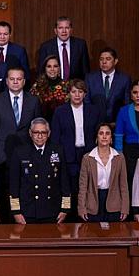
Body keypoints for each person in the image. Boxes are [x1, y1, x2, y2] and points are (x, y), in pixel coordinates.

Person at [0, 67, 41, 222]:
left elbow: (38, 129)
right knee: (6, 194)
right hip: (4, 156)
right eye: (12, 79)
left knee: (26, 191)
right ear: (6, 81)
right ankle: (6, 226)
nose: (15, 82)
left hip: (27, 155)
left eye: (19, 79)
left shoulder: (33, 100)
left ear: (24, 81)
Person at [9, 118, 71, 224]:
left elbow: (64, 181)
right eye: (36, 132)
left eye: (43, 132)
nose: (40, 136)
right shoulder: (20, 152)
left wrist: (65, 209)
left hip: (53, 211)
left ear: (49, 133)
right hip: (27, 211)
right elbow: (14, 185)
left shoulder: (57, 150)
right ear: (30, 133)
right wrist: (16, 212)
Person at [51, 79, 101, 208]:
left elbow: (99, 134)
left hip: (89, 155)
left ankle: (86, 215)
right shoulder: (60, 111)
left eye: (80, 91)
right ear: (69, 93)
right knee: (70, 190)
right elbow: (55, 138)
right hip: (68, 157)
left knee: (88, 188)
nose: (77, 95)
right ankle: (70, 216)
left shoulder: (94, 111)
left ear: (85, 94)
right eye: (74, 92)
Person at [78, 123, 129, 222]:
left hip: (114, 203)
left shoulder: (119, 157)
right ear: (96, 137)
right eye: (101, 133)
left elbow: (123, 185)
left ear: (111, 138)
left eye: (107, 133)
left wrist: (125, 208)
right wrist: (81, 208)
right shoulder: (87, 158)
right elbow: (83, 186)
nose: (104, 136)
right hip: (93, 203)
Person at [36, 16, 90, 81]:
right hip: (52, 85)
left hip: (75, 86)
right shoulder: (46, 47)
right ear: (55, 31)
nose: (64, 31)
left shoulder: (80, 45)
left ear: (71, 30)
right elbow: (41, 73)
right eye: (60, 28)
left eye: (67, 28)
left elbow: (86, 71)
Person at [84, 47, 131, 123]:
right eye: (101, 59)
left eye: (108, 59)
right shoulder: (90, 78)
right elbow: (87, 102)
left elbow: (127, 103)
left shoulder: (124, 79)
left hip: (117, 122)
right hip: (95, 123)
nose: (104, 62)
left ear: (115, 61)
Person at [30, 55, 69, 122]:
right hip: (42, 124)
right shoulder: (37, 87)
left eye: (55, 66)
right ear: (45, 69)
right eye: (49, 66)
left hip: (63, 122)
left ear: (59, 68)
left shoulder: (67, 86)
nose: (52, 69)